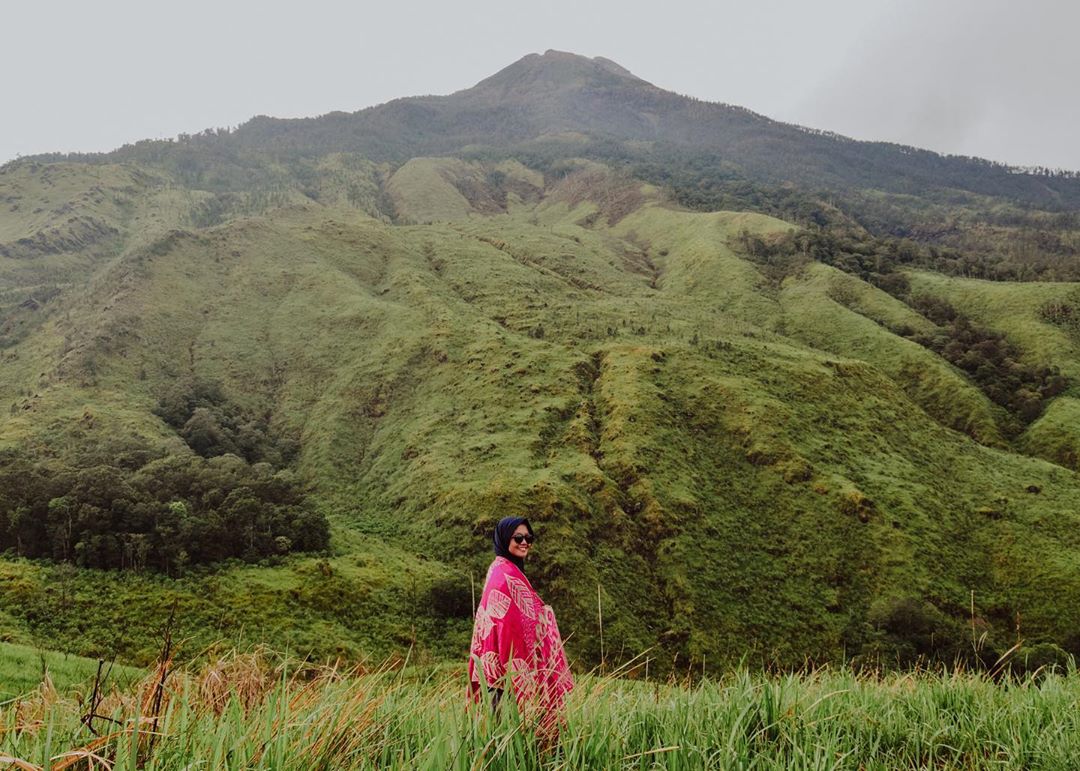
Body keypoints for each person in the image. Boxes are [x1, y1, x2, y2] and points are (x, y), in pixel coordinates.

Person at [468, 516, 573, 739]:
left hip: (498, 672)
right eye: (518, 537)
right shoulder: (504, 575)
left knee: (502, 735)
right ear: (504, 538)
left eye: (528, 537)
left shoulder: (502, 569)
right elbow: (508, 626)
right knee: (508, 737)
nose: (524, 542)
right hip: (505, 676)